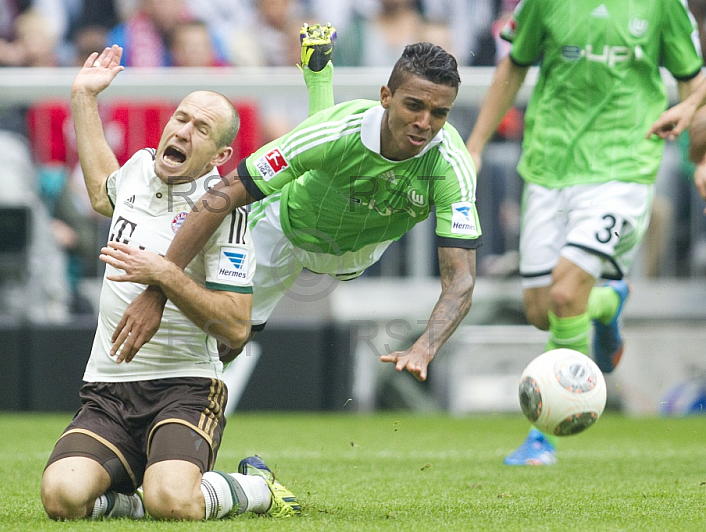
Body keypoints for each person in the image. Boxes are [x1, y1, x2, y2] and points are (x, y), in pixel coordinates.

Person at [107, 27, 482, 384]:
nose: (423, 123)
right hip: (283, 226)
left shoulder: (452, 165)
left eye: (439, 113)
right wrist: (159, 287)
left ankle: (319, 74)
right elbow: (223, 194)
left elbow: (460, 279)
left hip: (352, 255)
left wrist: (424, 348)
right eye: (413, 106)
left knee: (322, 151)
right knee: (226, 340)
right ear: (386, 96)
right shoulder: (335, 133)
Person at [40, 44, 301, 521]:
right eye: (181, 119)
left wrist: (164, 273)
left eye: (201, 128)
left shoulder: (225, 209)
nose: (183, 130)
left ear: (220, 155)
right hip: (109, 386)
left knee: (175, 502)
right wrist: (83, 96)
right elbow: (103, 191)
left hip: (187, 386)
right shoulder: (139, 169)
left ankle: (256, 487)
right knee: (61, 497)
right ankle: (132, 504)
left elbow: (237, 326)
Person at [465, 0, 704, 465]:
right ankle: (608, 300)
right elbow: (511, 67)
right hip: (549, 166)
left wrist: (703, 156)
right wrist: (475, 145)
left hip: (624, 166)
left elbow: (692, 78)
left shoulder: (662, 6)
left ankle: (544, 437)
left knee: (564, 294)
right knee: (540, 310)